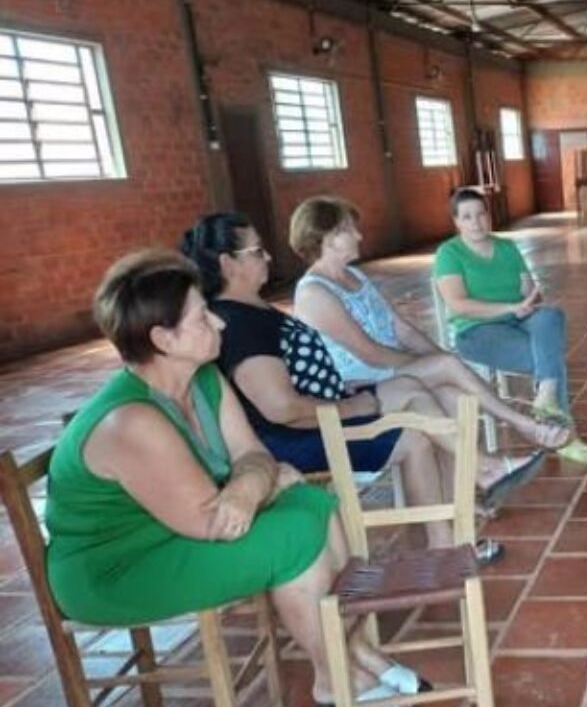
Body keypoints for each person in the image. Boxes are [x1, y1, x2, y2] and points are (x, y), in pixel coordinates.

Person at [46, 250, 425, 707]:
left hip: (171, 532)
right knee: (293, 537)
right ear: (163, 337)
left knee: (313, 501)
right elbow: (215, 521)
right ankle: (333, 678)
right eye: (202, 317)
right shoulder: (132, 421)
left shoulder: (204, 378)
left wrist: (251, 483)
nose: (220, 324)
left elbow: (254, 456)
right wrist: (257, 484)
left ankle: (354, 652)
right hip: (117, 570)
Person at [179, 214, 533, 563]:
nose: (268, 257)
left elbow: (295, 377)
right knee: (416, 426)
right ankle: (473, 489)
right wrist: (353, 407)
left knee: (418, 397)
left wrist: (342, 386)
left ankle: (456, 522)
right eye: (257, 251)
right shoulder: (238, 323)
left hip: (327, 407)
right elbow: (280, 408)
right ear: (228, 264)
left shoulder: (252, 309)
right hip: (296, 438)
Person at [287, 195, 575, 456]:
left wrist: (438, 357)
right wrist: (437, 362)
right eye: (349, 230)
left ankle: (472, 482)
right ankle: (524, 425)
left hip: (387, 368)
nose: (359, 235)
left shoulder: (354, 276)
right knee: (451, 369)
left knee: (455, 393)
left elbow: (404, 330)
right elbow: (369, 353)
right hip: (359, 382)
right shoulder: (314, 293)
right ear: (326, 237)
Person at [432, 188, 587, 465]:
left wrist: (530, 297)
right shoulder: (449, 253)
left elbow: (528, 289)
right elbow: (458, 304)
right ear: (456, 222)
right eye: (467, 217)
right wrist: (510, 308)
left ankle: (546, 396)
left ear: (489, 216)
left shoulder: (507, 248)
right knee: (549, 358)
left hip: (518, 319)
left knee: (550, 316)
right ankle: (564, 438)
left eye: (480, 214)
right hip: (476, 331)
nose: (476, 222)